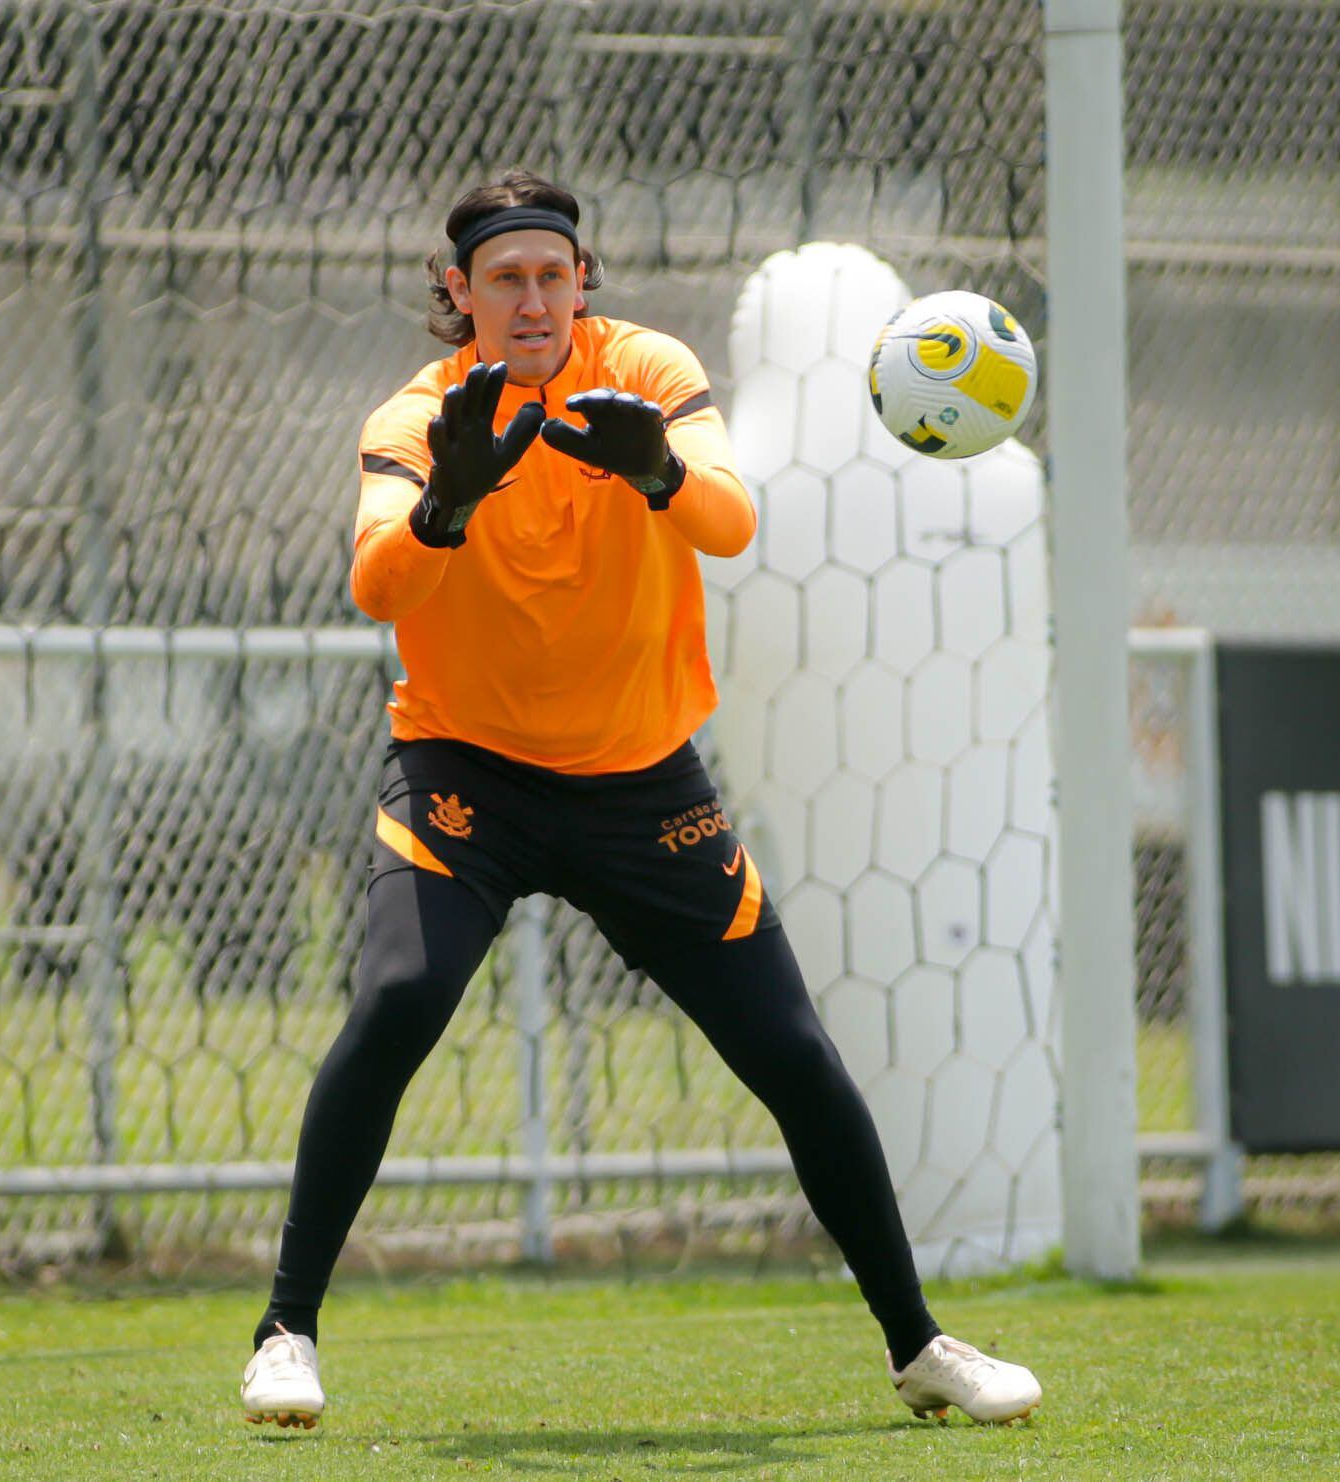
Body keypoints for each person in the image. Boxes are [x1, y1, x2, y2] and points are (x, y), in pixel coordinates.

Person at [240, 168, 1042, 1431]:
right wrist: (448, 502)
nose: (532, 298)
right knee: (398, 995)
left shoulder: (650, 372)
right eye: (503, 278)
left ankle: (919, 1344)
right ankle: (284, 1334)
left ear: (582, 282)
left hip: (639, 784)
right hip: (470, 774)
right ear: (456, 294)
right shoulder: (414, 416)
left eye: (553, 274)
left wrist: (658, 470)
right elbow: (375, 584)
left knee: (791, 1053)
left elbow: (726, 522)